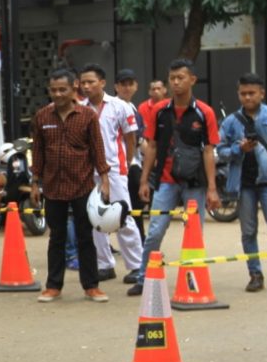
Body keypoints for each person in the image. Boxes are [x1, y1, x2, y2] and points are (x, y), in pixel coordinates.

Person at [131, 58, 222, 296]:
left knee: (194, 233)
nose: (176, 82)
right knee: (155, 232)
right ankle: (143, 278)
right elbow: (151, 147)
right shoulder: (160, 111)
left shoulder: (204, 112)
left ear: (192, 80)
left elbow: (209, 151)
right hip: (165, 180)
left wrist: (212, 188)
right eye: (172, 78)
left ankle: (193, 280)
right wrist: (144, 180)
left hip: (195, 182)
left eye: (181, 78)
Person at [30, 69, 111, 303]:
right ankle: (53, 286)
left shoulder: (87, 116)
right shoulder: (42, 117)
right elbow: (38, 152)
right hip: (53, 187)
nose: (57, 94)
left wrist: (104, 181)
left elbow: (97, 149)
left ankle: (91, 286)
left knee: (86, 237)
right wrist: (35, 183)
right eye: (53, 90)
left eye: (62, 89)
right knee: (57, 237)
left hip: (82, 185)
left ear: (73, 88)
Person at [217, 73, 267, 294]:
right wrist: (239, 149)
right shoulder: (230, 122)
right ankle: (255, 275)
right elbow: (220, 150)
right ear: (238, 94)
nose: (247, 97)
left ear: (262, 93)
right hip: (243, 184)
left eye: (251, 93)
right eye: (243, 93)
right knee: (248, 232)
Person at [78, 64, 144, 284]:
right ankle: (104, 265)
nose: (86, 86)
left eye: (91, 82)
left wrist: (126, 163)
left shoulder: (120, 106)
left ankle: (136, 265)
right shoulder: (79, 108)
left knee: (122, 216)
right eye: (83, 83)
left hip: (115, 169)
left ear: (102, 83)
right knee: (95, 217)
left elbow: (130, 138)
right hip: (89, 171)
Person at [114, 68, 148, 242]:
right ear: (116, 87)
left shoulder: (133, 108)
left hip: (133, 163)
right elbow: (135, 140)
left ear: (136, 86)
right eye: (123, 84)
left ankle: (140, 240)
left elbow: (140, 139)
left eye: (130, 84)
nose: (127, 88)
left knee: (135, 206)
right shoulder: (114, 107)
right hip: (119, 165)